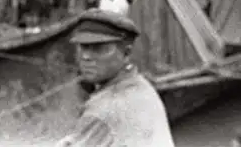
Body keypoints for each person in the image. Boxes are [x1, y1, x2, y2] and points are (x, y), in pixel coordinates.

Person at [55, 9, 175, 147]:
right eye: (83, 46)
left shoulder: (102, 111)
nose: (86, 56)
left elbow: (104, 120)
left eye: (99, 48)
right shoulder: (141, 85)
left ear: (126, 53)